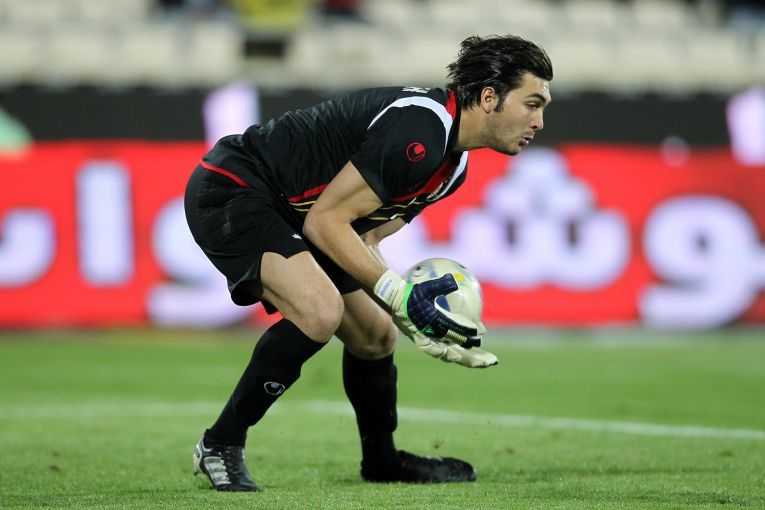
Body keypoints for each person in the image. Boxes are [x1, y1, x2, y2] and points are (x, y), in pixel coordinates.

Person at [185, 34, 553, 492]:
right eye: (532, 104)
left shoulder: (452, 168)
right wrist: (401, 296)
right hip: (236, 187)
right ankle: (220, 443)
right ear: (489, 97)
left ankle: (382, 461)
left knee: (376, 336)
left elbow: (364, 236)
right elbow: (326, 222)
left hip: (294, 212)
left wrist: (407, 315)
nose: (539, 121)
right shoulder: (420, 129)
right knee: (319, 311)